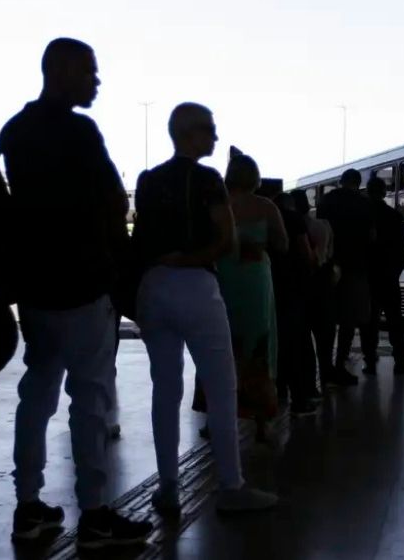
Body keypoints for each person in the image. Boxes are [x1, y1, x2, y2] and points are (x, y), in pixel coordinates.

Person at [0, 37, 151, 549]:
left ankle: (28, 507)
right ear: (60, 71)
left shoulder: (14, 131)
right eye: (89, 71)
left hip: (37, 291)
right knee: (89, 400)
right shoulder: (80, 132)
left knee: (36, 396)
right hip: (84, 285)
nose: (96, 81)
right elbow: (112, 200)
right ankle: (96, 516)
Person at [133, 102, 279, 517]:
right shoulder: (207, 178)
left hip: (153, 287)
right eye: (210, 130)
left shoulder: (148, 180)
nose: (216, 138)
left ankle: (168, 489)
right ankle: (231, 487)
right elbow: (226, 239)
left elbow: (142, 239)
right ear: (191, 133)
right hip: (196, 285)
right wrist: (190, 258)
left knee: (165, 388)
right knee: (221, 385)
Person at [197, 150, 288, 441]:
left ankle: (213, 422)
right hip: (255, 283)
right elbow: (283, 244)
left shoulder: (215, 207)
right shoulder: (265, 207)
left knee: (218, 346)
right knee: (258, 347)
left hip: (221, 279)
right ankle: (261, 423)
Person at [317, 169, 374, 387]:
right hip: (355, 267)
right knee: (349, 322)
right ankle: (339, 365)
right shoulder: (364, 203)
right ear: (358, 183)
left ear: (341, 182)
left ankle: (324, 368)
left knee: (327, 321)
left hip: (329, 266)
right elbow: (371, 236)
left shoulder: (326, 200)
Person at [361, 177, 404, 376]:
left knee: (369, 322)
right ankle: (400, 361)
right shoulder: (394, 216)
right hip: (389, 276)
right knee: (395, 321)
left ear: (367, 191)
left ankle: (369, 361)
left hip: (369, 277)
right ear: (384, 193)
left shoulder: (363, 217)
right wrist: (396, 270)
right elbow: (403, 247)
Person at [271, 192, 320, 415]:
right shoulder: (292, 219)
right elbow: (305, 253)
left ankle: (277, 389)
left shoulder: (250, 214)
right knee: (297, 343)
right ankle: (300, 396)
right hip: (292, 287)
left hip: (265, 285)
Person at [293, 190, 337, 390]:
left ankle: (309, 384)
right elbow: (330, 253)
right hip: (324, 282)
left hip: (302, 283)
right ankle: (327, 373)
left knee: (303, 339)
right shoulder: (324, 225)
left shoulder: (293, 227)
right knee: (325, 335)